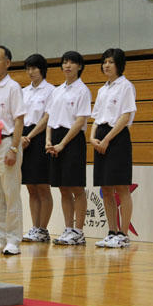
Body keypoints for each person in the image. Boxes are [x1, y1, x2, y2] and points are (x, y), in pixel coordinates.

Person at [91, 48, 136, 249]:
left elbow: (125, 117)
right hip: (100, 136)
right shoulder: (102, 90)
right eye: (104, 62)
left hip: (117, 137)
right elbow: (95, 118)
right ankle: (111, 232)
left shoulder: (126, 86)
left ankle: (123, 234)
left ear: (119, 65)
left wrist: (107, 139)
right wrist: (92, 138)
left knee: (121, 187)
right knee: (106, 188)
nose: (106, 65)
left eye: (110, 62)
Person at [45, 51, 91, 245]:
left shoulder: (83, 91)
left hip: (72, 140)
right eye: (65, 62)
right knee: (63, 188)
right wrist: (48, 140)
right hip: (55, 138)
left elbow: (80, 121)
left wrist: (63, 143)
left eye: (72, 62)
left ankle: (78, 231)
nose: (67, 66)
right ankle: (68, 229)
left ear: (79, 66)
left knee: (76, 187)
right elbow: (50, 117)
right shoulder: (56, 91)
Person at [0, 46, 26, 256]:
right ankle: (0, 237)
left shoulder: (13, 87)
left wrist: (13, 148)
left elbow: (19, 120)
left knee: (11, 195)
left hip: (7, 143)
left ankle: (13, 239)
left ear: (7, 63)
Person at [21, 53, 54, 243]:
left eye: (34, 68)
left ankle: (43, 229)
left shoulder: (50, 91)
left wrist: (30, 136)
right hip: (24, 137)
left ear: (42, 69)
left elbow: (47, 117)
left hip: (40, 137)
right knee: (31, 187)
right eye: (28, 68)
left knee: (42, 186)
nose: (30, 72)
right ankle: (35, 228)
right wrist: (21, 137)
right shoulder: (24, 91)